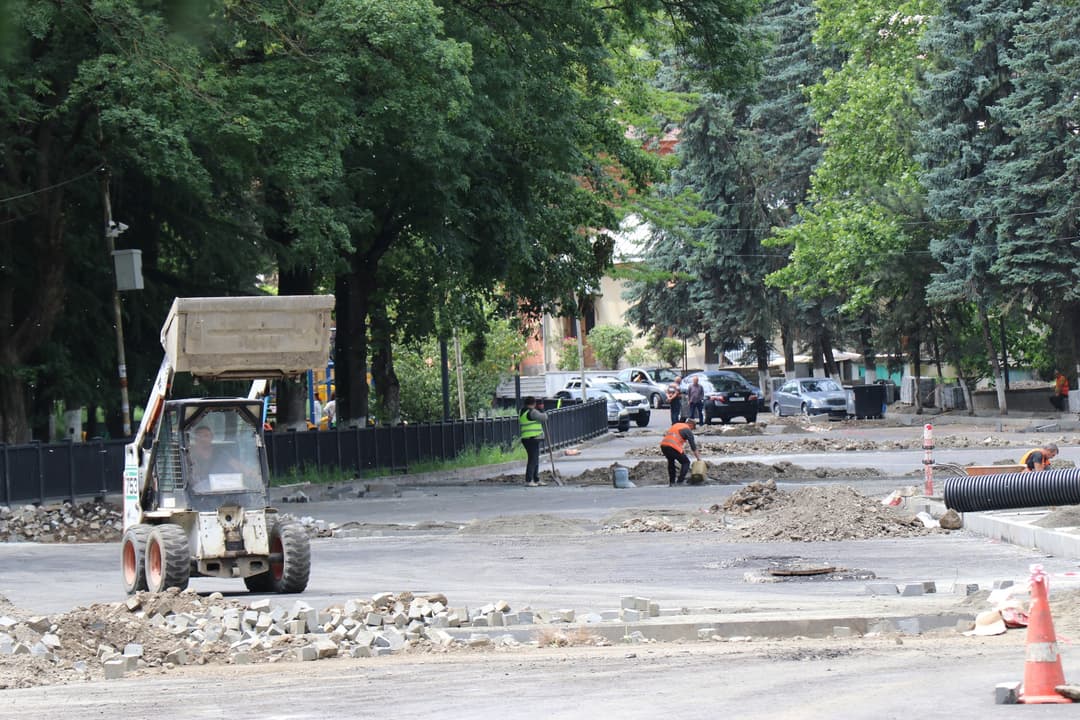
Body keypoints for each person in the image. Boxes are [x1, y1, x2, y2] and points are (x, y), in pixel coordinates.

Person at [660, 417, 701, 486]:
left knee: (671, 462)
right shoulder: (687, 430)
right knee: (686, 462)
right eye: (693, 428)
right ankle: (680, 481)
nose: (692, 430)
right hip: (673, 447)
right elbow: (693, 446)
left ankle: (672, 482)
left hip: (664, 445)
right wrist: (698, 459)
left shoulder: (677, 425)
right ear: (691, 425)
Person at [519, 397, 548, 487]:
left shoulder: (522, 411)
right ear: (534, 403)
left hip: (527, 438)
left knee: (534, 459)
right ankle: (529, 480)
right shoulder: (532, 412)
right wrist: (542, 410)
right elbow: (544, 417)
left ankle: (536, 479)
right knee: (533, 459)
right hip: (532, 438)